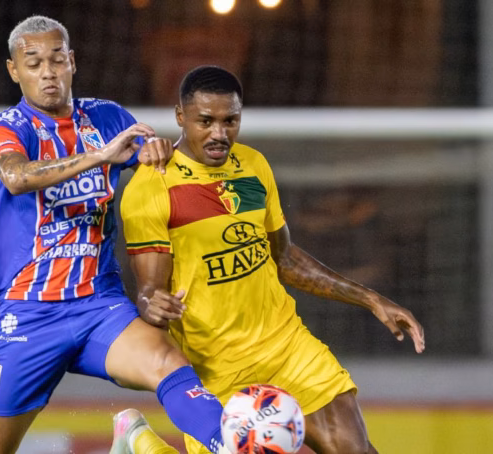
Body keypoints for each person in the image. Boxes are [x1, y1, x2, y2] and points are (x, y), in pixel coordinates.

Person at [119, 66, 426, 454]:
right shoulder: (152, 186)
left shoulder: (252, 166)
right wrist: (153, 304)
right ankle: (141, 443)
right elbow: (149, 291)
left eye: (230, 121)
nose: (219, 133)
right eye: (206, 121)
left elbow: (283, 258)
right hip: (217, 369)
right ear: (181, 116)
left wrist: (370, 299)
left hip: (286, 349)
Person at [0, 16, 227, 454]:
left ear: (72, 61)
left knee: (167, 361)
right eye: (33, 63)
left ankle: (232, 443)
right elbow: (16, 177)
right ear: (14, 70)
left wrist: (158, 151)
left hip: (98, 306)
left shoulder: (108, 117)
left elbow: (159, 171)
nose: (47, 72)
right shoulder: (9, 126)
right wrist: (99, 157)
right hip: (29, 313)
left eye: (56, 59)